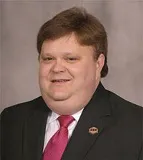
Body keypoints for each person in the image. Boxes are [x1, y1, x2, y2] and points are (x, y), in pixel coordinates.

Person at [0, 7, 142, 160]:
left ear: (98, 63)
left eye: (71, 58)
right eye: (48, 59)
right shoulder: (11, 121)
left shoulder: (137, 127)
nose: (57, 68)